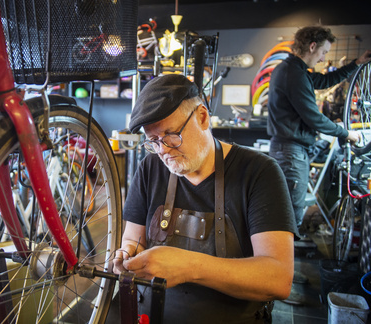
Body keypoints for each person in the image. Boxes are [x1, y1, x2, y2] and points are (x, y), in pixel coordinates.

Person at [113, 74, 297, 323]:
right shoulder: (150, 169)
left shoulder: (259, 172)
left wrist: (188, 266)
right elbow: (133, 240)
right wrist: (128, 254)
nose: (163, 150)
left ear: (202, 117)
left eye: (171, 135)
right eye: (154, 141)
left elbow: (277, 278)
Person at [267, 25, 371, 228]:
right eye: (324, 52)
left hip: (289, 150)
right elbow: (314, 119)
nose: (324, 58)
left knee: (288, 209)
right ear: (312, 46)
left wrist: (356, 64)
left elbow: (325, 80)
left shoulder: (294, 69)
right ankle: (285, 257)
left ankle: (284, 254)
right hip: (291, 152)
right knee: (291, 213)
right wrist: (347, 134)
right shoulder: (294, 74)